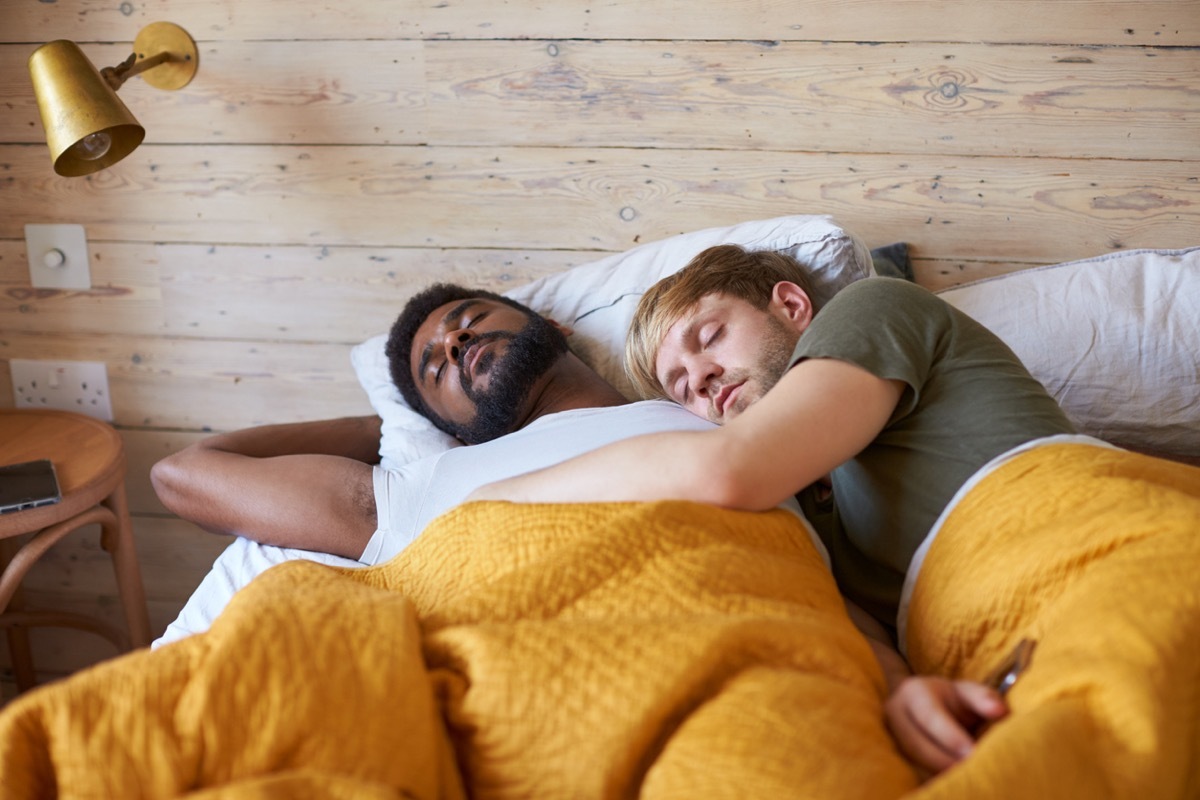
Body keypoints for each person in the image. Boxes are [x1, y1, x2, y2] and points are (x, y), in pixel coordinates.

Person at [468, 244, 1080, 775]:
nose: (702, 379)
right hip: (993, 658)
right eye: (681, 388)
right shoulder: (797, 504)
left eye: (708, 338)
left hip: (1083, 541)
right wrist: (903, 692)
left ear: (789, 305)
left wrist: (488, 500)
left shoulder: (871, 309)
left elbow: (726, 468)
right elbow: (853, 623)